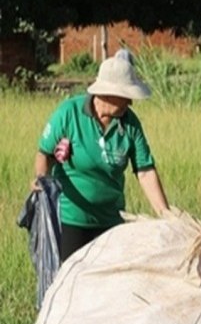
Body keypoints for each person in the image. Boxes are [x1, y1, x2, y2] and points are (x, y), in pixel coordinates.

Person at [31, 55, 170, 262]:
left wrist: (166, 216)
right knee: (72, 286)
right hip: (71, 220)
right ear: (107, 93)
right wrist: (42, 179)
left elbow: (145, 171)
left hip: (111, 222)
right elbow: (45, 154)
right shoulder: (69, 114)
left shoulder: (130, 124)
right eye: (126, 95)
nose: (131, 102)